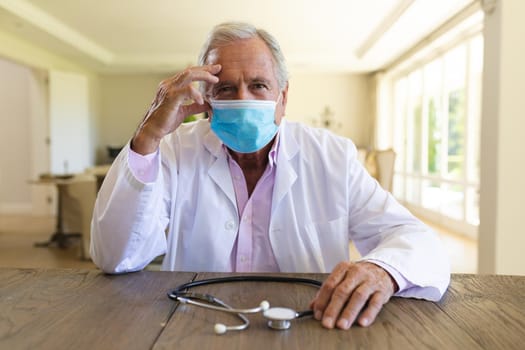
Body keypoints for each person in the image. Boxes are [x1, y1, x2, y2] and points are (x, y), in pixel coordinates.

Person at [90, 21, 450, 330]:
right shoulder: (172, 150)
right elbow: (115, 257)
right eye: (226, 88)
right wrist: (147, 137)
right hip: (195, 322)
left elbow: (415, 238)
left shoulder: (332, 156)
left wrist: (382, 270)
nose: (243, 99)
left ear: (283, 96)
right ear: (206, 99)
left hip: (311, 324)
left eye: (259, 86)